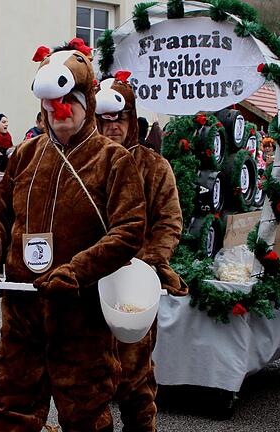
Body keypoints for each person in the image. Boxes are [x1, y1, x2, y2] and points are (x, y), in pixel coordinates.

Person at [0, 38, 146, 431]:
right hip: (23, 314)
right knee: (10, 408)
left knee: (86, 414)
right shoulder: (25, 154)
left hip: (81, 314)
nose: (61, 110)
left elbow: (129, 230)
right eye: (53, 102)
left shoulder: (113, 159)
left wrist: (76, 270)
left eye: (72, 99)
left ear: (88, 100)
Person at [95, 72, 185, 431]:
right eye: (105, 119)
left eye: (120, 118)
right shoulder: (84, 162)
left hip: (135, 284)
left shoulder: (153, 165)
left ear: (131, 119)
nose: (112, 126)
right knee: (91, 376)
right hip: (90, 279)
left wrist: (144, 264)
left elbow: (169, 222)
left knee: (135, 377)